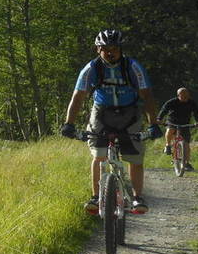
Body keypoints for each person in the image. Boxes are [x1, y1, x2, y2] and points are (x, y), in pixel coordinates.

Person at [60, 29, 161, 215]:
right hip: (102, 112)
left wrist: (153, 124)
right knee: (99, 156)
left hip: (129, 112)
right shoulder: (91, 68)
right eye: (105, 48)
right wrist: (69, 123)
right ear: (97, 49)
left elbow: (146, 96)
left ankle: (138, 197)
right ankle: (96, 196)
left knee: (134, 158)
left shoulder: (133, 67)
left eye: (114, 48)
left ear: (121, 49)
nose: (110, 52)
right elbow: (78, 97)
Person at [158, 87, 198, 170]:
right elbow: (164, 110)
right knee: (170, 130)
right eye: (183, 96)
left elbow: (197, 113)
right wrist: (159, 119)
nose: (186, 97)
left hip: (185, 123)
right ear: (178, 95)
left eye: (187, 95)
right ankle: (167, 145)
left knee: (186, 145)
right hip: (172, 121)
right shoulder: (172, 102)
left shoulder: (192, 103)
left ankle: (186, 163)